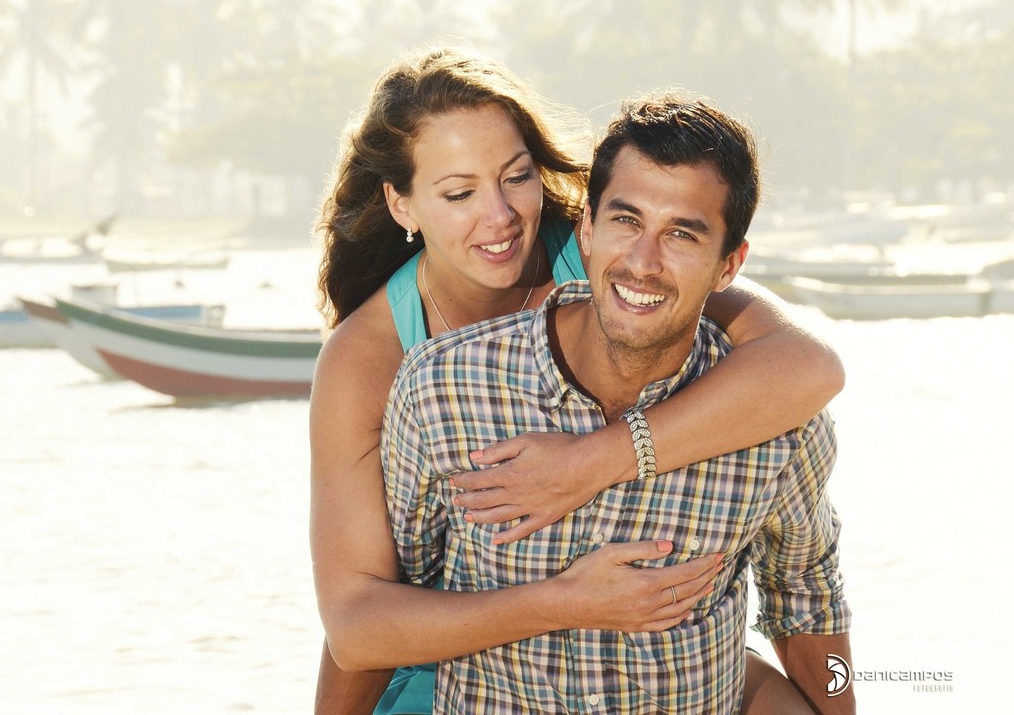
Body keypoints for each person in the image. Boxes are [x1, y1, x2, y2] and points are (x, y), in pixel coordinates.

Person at [311, 47, 844, 714]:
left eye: (516, 177)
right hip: (452, 656)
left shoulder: (613, 255)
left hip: (646, 645)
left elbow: (809, 367)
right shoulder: (379, 360)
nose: (500, 216)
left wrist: (589, 463)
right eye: (459, 194)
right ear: (403, 204)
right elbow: (357, 622)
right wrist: (567, 602)